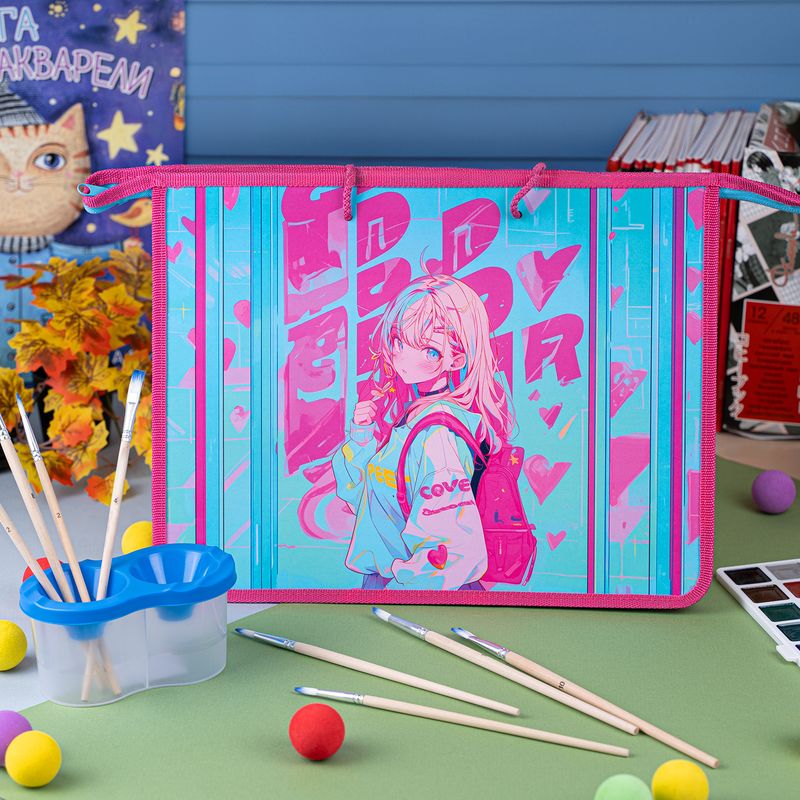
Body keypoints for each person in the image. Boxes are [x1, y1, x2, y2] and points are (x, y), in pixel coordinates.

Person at [332, 274, 513, 590]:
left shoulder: (436, 435)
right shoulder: (415, 421)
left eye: (429, 350)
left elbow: (450, 550)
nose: (404, 357)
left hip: (413, 594)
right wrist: (361, 436)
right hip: (395, 586)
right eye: (399, 341)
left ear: (457, 359)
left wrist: (403, 582)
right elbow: (369, 504)